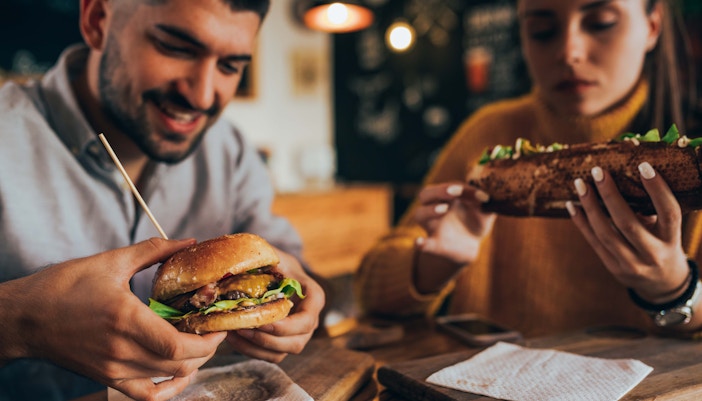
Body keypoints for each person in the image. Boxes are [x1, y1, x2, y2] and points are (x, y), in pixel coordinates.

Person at [0, 0, 324, 400]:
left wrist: (300, 289)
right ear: (97, 20)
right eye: (177, 48)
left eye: (230, 66)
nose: (203, 96)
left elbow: (293, 266)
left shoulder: (231, 150)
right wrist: (21, 320)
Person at [356, 0, 702, 339]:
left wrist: (675, 290)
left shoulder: (692, 156)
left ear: (653, 25)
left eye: (601, 23)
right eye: (542, 30)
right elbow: (371, 295)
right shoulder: (487, 135)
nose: (569, 52)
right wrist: (436, 262)